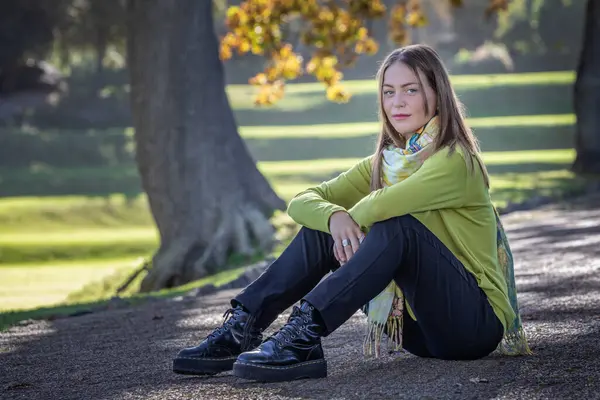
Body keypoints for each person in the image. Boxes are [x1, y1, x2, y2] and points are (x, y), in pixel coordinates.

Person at [172, 44, 531, 383]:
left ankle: (305, 329)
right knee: (327, 223)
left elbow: (381, 207)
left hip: (472, 325)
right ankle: (243, 327)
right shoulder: (386, 163)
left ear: (437, 94)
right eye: (388, 92)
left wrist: (345, 220)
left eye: (411, 90)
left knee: (396, 227)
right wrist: (333, 218)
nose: (397, 103)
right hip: (418, 332)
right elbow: (301, 201)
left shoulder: (456, 161)